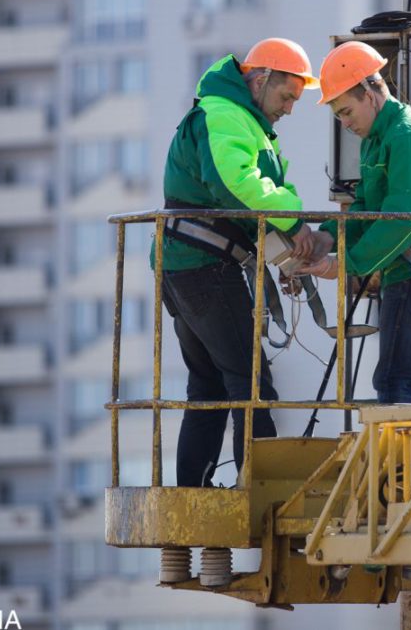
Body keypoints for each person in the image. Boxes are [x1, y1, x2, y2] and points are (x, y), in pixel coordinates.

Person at [156, 38, 329, 487]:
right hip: (202, 267)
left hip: (190, 264)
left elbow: (243, 197)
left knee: (210, 386)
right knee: (250, 384)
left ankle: (194, 491)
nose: (289, 109)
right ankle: (260, 488)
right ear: (260, 79)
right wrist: (295, 227)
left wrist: (285, 256)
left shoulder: (237, 119)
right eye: (286, 96)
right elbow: (235, 187)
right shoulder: (224, 115)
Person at [298, 41, 411, 404]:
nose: (345, 123)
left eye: (346, 111)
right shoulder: (378, 140)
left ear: (370, 94)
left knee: (398, 386)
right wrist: (327, 239)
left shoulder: (408, 134)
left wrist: (345, 264)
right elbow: (366, 205)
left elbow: (403, 216)